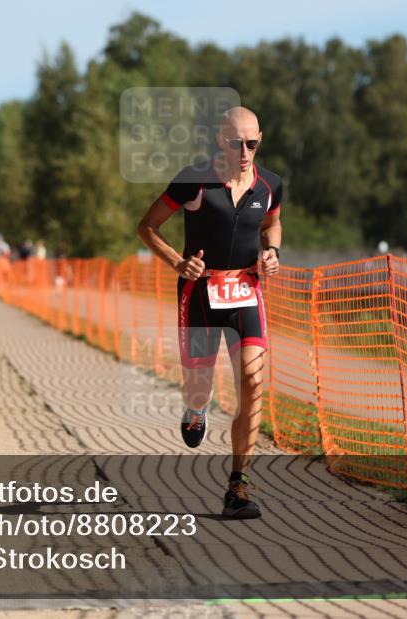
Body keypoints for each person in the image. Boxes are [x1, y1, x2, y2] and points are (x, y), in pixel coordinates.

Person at [137, 106, 282, 519]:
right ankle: (196, 408)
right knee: (199, 387)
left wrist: (272, 252)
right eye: (236, 142)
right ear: (221, 139)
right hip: (200, 293)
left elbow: (273, 224)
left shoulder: (270, 184)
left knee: (253, 382)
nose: (244, 151)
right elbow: (147, 226)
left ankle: (238, 485)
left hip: (246, 292)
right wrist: (177, 262)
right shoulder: (194, 181)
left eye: (252, 143)